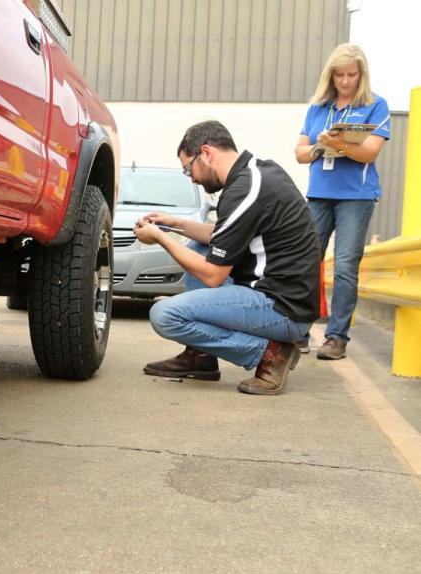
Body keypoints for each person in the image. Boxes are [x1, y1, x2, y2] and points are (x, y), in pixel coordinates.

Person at [134, 121, 320, 395]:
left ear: (206, 152)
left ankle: (270, 354)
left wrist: (161, 238)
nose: (192, 178)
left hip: (283, 309)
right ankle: (200, 357)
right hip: (285, 298)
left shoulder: (245, 190)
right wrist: (173, 223)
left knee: (165, 315)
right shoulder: (255, 174)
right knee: (199, 247)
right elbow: (222, 236)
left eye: (189, 169)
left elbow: (214, 275)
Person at [295, 43, 390, 360]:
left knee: (347, 266)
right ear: (331, 75)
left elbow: (371, 152)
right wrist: (321, 147)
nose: (346, 81)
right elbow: (299, 153)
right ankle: (298, 332)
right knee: (307, 262)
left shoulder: (376, 106)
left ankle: (336, 338)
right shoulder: (317, 108)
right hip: (319, 195)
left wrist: (340, 144)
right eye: (340, 75)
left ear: (361, 75)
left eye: (351, 75)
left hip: (356, 197)